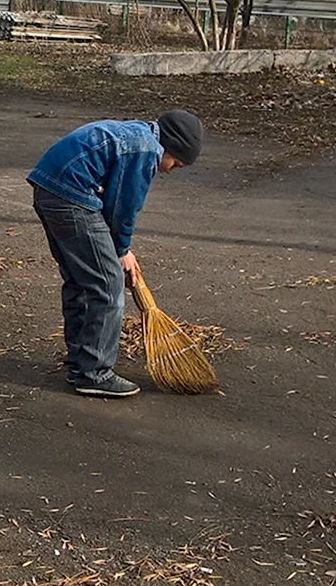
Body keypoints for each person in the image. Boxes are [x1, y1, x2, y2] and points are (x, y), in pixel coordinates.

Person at [26, 110, 204, 398]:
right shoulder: (145, 149)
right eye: (177, 162)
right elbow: (123, 204)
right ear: (170, 146)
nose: (172, 168)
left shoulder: (136, 134)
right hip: (71, 195)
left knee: (81, 280)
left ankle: (79, 362)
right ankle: (94, 372)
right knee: (108, 286)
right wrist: (122, 250)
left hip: (50, 188)